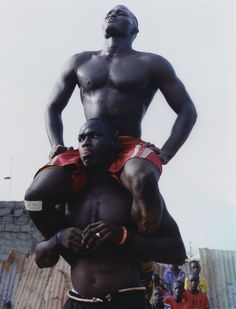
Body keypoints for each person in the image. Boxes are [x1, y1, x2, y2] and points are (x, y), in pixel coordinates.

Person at [24, 5, 197, 237]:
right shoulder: (79, 62)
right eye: (109, 13)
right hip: (90, 145)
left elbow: (187, 109)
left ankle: (144, 258)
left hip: (128, 147)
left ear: (135, 29)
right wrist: (56, 144)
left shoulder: (152, 63)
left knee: (144, 178)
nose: (113, 13)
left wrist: (167, 152)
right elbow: (53, 107)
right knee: (35, 195)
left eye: (122, 13)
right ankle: (56, 240)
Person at [34, 118, 186, 308]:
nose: (86, 142)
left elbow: (178, 253)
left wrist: (123, 235)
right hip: (77, 302)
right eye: (81, 138)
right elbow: (41, 260)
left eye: (95, 135)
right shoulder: (68, 196)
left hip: (126, 302)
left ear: (115, 142)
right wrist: (58, 239)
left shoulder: (134, 195)